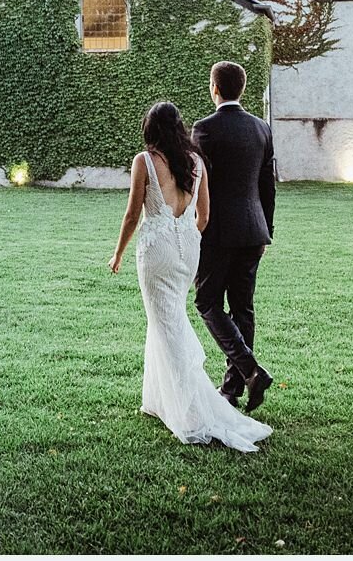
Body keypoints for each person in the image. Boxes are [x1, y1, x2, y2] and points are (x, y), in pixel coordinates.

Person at [109, 100, 273, 452]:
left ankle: (194, 411)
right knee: (167, 320)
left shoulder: (145, 161)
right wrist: (186, 236)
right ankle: (157, 399)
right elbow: (204, 214)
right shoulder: (196, 162)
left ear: (149, 129)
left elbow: (131, 215)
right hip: (188, 248)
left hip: (157, 251)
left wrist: (119, 252)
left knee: (167, 325)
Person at [192, 60, 276, 411]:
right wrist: (267, 230)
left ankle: (249, 370)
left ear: (214, 88)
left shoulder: (204, 129)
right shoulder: (262, 128)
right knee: (243, 307)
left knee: (207, 302)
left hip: (217, 233)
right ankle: (232, 389)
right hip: (254, 231)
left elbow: (194, 180)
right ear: (240, 88)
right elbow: (266, 185)